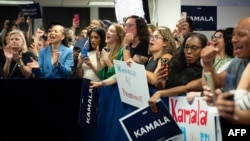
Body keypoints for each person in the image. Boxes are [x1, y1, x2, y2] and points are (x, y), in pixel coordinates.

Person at [201, 17, 250, 140]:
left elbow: (242, 113)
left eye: (241, 35)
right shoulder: (238, 62)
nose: (234, 40)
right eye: (233, 35)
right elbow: (215, 83)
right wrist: (207, 63)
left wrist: (223, 106)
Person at [148, 32, 208, 112]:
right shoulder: (172, 61)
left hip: (186, 112)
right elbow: (161, 86)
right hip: (166, 106)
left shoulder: (165, 58)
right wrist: (159, 81)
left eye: (194, 48)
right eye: (186, 47)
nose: (189, 51)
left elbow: (185, 88)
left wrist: (160, 93)